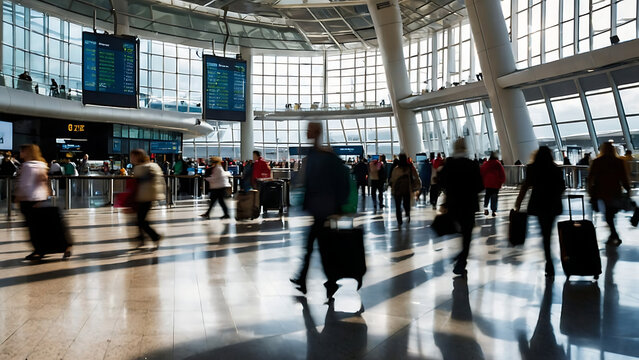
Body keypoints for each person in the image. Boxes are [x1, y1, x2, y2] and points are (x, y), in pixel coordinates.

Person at [290, 122, 350, 299]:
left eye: (309, 130)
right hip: (320, 209)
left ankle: (327, 281)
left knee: (320, 248)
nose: (306, 132)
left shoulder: (324, 155)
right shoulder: (317, 154)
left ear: (316, 132)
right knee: (315, 247)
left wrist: (338, 206)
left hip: (324, 210)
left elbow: (341, 179)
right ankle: (310, 280)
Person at [515, 146, 566, 277]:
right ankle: (551, 260)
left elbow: (525, 186)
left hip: (539, 204)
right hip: (553, 205)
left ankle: (548, 262)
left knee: (545, 233)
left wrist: (518, 202)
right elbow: (562, 187)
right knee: (548, 231)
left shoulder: (532, 168)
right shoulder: (555, 169)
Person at [15, 144, 71, 260]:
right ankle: (62, 246)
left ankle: (39, 250)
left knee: (34, 228)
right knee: (46, 225)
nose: (20, 153)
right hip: (41, 198)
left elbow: (25, 184)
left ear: (27, 152)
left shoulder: (27, 166)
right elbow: (45, 181)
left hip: (28, 199)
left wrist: (18, 197)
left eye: (22, 151)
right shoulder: (42, 164)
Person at [438, 139, 484, 275]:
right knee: (467, 234)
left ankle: (461, 256)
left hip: (453, 204)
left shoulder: (449, 165)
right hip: (469, 205)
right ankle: (462, 260)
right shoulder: (472, 165)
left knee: (456, 228)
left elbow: (442, 182)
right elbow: (480, 186)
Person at [587, 142, 631, 247]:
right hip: (615, 191)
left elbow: (591, 177)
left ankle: (614, 235)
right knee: (610, 214)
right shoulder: (618, 162)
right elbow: (623, 177)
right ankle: (613, 235)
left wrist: (590, 191)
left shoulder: (597, 162)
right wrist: (628, 189)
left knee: (608, 214)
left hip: (602, 191)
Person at [131, 149, 166, 248]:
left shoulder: (144, 167)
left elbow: (147, 179)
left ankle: (155, 236)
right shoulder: (150, 166)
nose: (131, 158)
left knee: (141, 220)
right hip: (145, 196)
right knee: (140, 219)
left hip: (145, 197)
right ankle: (142, 238)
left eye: (133, 156)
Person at [389, 153, 420, 226]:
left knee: (398, 206)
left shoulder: (396, 169)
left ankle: (399, 220)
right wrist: (417, 186)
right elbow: (415, 177)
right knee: (406, 203)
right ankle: (407, 213)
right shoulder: (409, 168)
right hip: (407, 189)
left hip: (397, 190)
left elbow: (392, 179)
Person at [480, 152, 506, 216]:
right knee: (494, 197)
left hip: (487, 183)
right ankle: (493, 211)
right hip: (495, 184)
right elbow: (502, 173)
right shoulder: (498, 163)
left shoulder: (486, 164)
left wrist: (482, 181)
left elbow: (482, 172)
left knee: (487, 196)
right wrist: (502, 180)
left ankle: (485, 208)